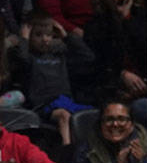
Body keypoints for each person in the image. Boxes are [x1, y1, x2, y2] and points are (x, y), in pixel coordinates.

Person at [9, 9, 94, 145]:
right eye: (38, 35)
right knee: (63, 115)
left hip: (66, 101)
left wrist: (66, 36)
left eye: (49, 35)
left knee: (92, 115)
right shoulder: (29, 56)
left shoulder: (59, 53)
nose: (45, 39)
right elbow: (22, 61)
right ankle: (66, 151)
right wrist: (23, 40)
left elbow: (87, 57)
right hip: (42, 105)